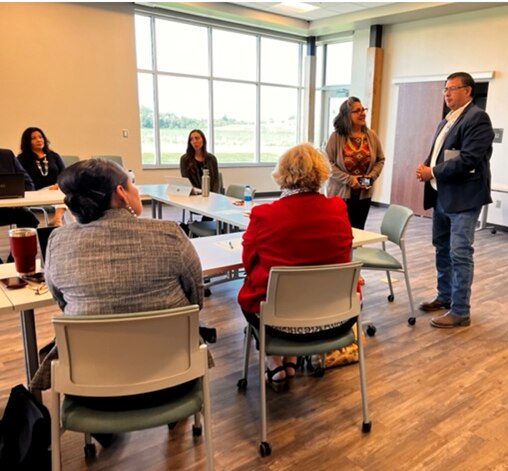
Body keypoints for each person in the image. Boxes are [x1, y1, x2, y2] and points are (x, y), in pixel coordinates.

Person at [31, 159, 212, 394]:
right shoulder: (169, 235)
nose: (136, 189)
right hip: (174, 377)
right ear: (121, 193)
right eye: (132, 183)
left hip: (89, 384)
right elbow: (196, 299)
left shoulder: (58, 242)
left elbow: (62, 301)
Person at [238, 143, 357, 392]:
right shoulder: (338, 209)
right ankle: (290, 360)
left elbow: (249, 263)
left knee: (251, 293)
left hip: (279, 322)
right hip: (334, 319)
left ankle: (275, 359)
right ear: (321, 173)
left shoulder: (264, 215)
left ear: (283, 175)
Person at [415, 72, 494, 329]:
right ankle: (445, 295)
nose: (446, 94)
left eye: (452, 89)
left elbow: (468, 159)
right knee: (442, 247)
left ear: (468, 91)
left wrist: (433, 172)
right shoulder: (447, 119)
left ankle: (460, 310)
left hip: (463, 197)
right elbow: (440, 153)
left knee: (460, 253)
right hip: (442, 194)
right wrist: (427, 165)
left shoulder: (477, 118)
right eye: (445, 89)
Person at [325, 97, 385, 230]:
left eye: (363, 109)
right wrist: (350, 179)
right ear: (347, 115)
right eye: (357, 111)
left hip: (364, 194)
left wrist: (370, 178)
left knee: (358, 230)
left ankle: (357, 252)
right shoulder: (336, 137)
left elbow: (380, 160)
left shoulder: (371, 135)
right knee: (339, 231)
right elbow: (328, 163)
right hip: (340, 194)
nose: (362, 113)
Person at [17, 127, 66, 226]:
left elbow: (65, 174)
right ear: (27, 142)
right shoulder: (22, 159)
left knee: (68, 195)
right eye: (34, 138)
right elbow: (22, 180)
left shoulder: (54, 156)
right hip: (36, 192)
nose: (39, 140)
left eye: (40, 137)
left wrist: (58, 184)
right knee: (65, 197)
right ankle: (58, 220)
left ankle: (57, 219)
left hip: (56, 189)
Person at [0, 148, 39, 263]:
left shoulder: (7, 155)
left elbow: (28, 183)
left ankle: (15, 259)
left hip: (11, 207)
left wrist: (16, 198)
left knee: (29, 218)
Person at [180, 129, 220, 193]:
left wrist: (214, 195)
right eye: (191, 139)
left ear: (203, 140)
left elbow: (216, 180)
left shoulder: (211, 158)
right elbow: (186, 180)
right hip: (194, 194)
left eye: (197, 138)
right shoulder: (185, 159)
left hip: (211, 194)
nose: (194, 141)